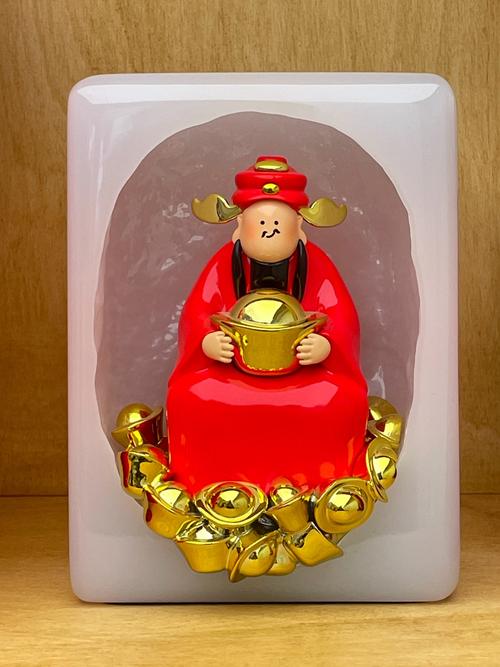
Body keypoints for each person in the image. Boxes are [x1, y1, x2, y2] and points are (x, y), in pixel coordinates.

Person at [166, 156, 368, 494]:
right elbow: (198, 313)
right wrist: (208, 342)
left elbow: (341, 317)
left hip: (306, 374)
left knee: (338, 399)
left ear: (300, 228)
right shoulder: (223, 264)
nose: (269, 229)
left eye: (277, 222)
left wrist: (326, 345)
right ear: (238, 227)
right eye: (260, 222)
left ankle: (318, 490)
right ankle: (210, 487)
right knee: (192, 396)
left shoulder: (318, 265)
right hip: (230, 371)